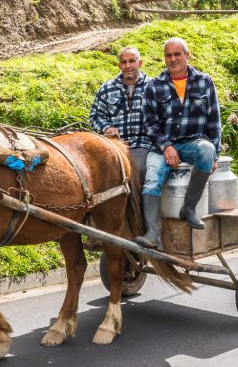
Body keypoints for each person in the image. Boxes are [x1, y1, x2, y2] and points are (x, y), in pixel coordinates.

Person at [136, 37, 221, 246]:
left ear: (187, 55)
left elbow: (214, 120)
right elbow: (149, 123)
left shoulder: (204, 81)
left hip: (193, 143)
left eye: (177, 54)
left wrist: (214, 156)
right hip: (162, 146)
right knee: (152, 178)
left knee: (207, 150)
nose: (173, 59)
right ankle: (153, 233)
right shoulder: (154, 86)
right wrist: (166, 146)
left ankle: (189, 208)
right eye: (168, 55)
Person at [89, 46, 155, 189]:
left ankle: (138, 210)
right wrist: (107, 128)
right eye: (124, 62)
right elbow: (95, 115)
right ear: (119, 65)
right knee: (98, 173)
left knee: (138, 170)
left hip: (142, 143)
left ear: (140, 63)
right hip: (115, 145)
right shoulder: (107, 88)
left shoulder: (153, 86)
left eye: (132, 61)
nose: (128, 66)